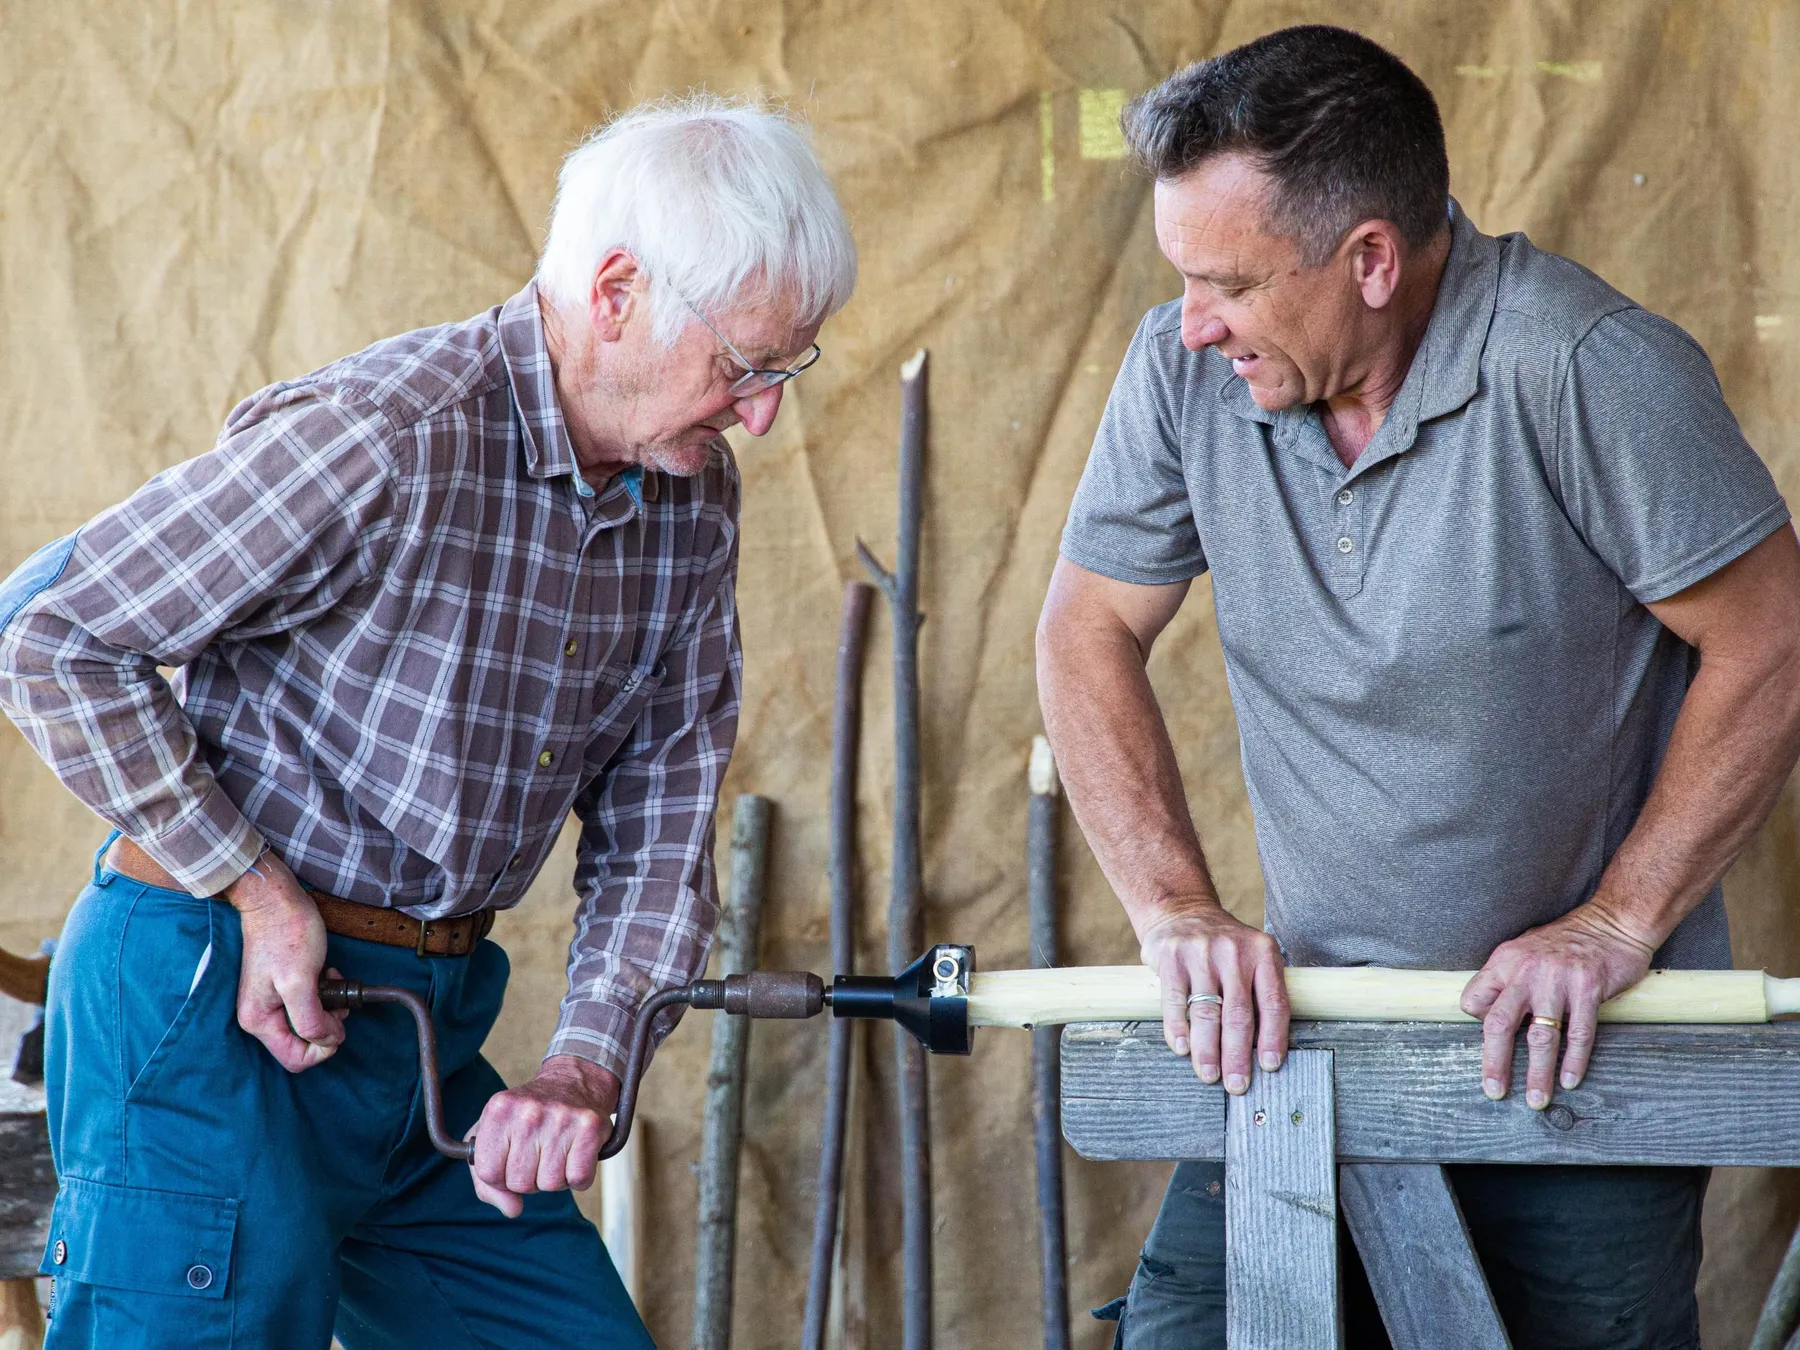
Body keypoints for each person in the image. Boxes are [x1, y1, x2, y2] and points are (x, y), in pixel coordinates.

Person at [0, 95, 855, 1348]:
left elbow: (664, 822)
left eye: (788, 368)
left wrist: (586, 1064)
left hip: (423, 1036)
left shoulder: (691, 503)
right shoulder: (387, 432)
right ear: (616, 291)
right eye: (746, 364)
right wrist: (250, 887)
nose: (764, 411)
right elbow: (53, 636)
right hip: (212, 994)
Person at [1036, 25, 1800, 1350]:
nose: (1190, 320)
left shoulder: (1582, 366)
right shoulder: (1186, 374)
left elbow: (1774, 639)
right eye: (1181, 278)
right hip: (1304, 1038)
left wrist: (1618, 923)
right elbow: (1085, 628)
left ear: (1372, 260)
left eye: (1225, 282)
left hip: (1581, 1051)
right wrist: (1173, 912)